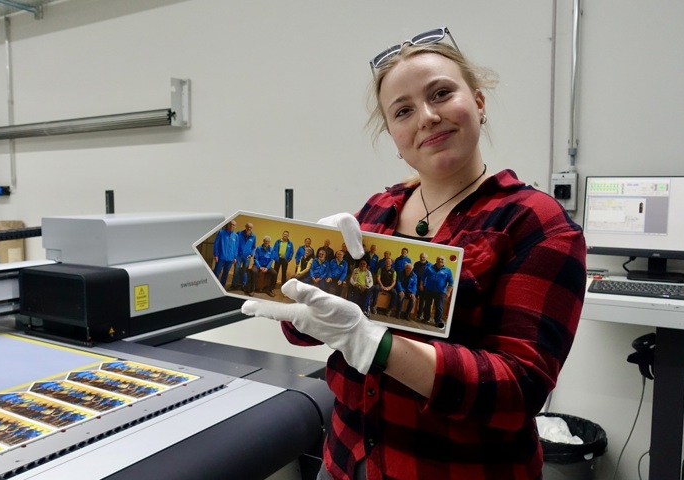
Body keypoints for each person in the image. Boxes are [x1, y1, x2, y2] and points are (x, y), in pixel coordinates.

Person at [242, 27, 586, 480]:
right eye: (403, 111)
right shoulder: (377, 211)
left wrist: (375, 344)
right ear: (395, 136)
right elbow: (311, 333)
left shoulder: (533, 223)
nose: (426, 117)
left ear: (478, 103)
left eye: (441, 93)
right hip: (346, 460)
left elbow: (518, 391)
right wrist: (302, 296)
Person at [421, 255, 454, 328]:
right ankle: (426, 318)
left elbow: (451, 282)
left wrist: (448, 292)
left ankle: (438, 321)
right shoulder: (429, 268)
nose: (440, 260)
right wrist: (421, 285)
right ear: (436, 260)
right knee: (427, 305)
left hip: (440, 292)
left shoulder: (448, 270)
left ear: (444, 261)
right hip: (429, 290)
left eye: (442, 259)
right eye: (439, 259)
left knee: (439, 307)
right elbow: (423, 277)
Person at [230, 222, 257, 291]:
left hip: (247, 257)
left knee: (245, 271)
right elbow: (235, 244)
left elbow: (254, 247)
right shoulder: (239, 233)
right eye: (248, 227)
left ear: (252, 228)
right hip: (238, 255)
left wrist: (251, 254)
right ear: (245, 226)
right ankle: (234, 285)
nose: (249, 228)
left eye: (250, 227)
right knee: (236, 270)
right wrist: (235, 254)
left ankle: (244, 286)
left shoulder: (253, 236)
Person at [211, 221, 238, 286]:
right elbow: (216, 244)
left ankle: (222, 286)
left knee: (225, 273)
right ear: (228, 225)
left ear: (235, 226)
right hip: (221, 257)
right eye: (231, 224)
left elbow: (236, 247)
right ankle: (213, 285)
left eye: (233, 225)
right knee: (216, 272)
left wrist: (235, 257)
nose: (232, 226)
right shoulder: (221, 233)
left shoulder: (236, 236)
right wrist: (216, 254)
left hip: (230, 259)